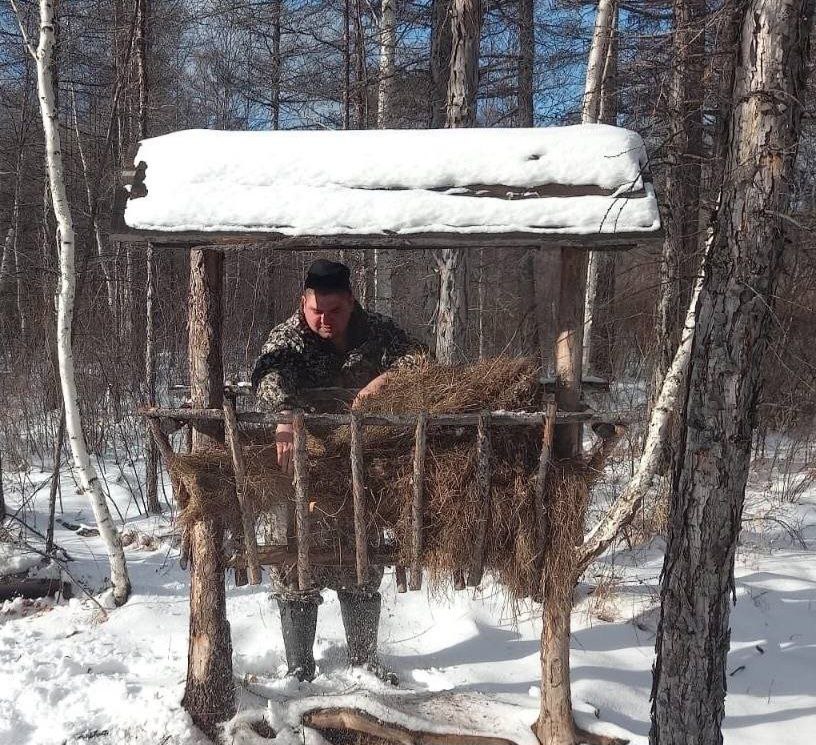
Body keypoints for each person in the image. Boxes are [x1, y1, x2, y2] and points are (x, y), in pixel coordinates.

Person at [251, 259, 425, 683]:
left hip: (360, 467)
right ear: (303, 303)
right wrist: (286, 415)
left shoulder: (377, 331)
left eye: (335, 311)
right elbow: (268, 378)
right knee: (294, 565)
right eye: (316, 311)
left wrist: (382, 383)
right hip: (302, 467)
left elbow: (421, 361)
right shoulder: (288, 337)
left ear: (351, 300)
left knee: (361, 566)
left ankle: (364, 662)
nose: (325, 320)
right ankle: (299, 669)